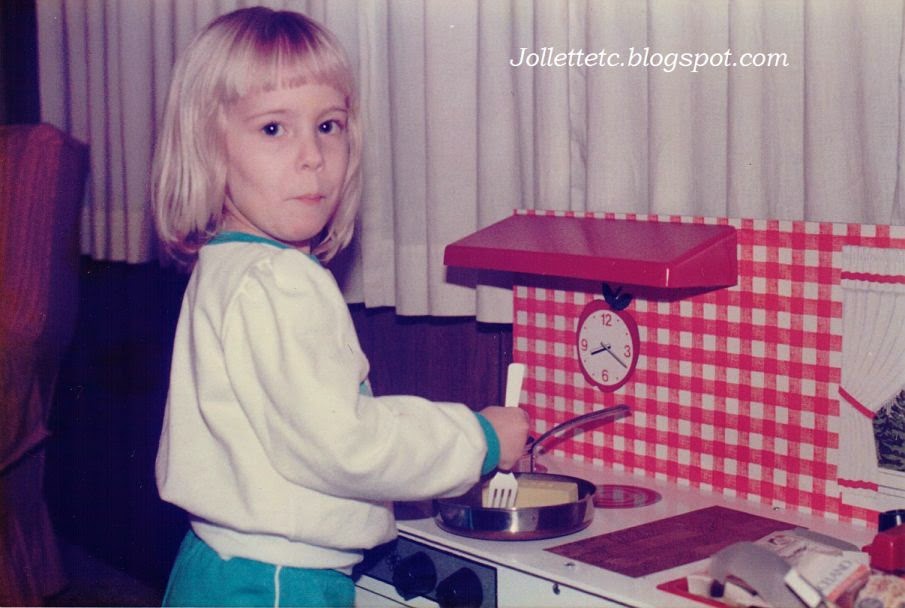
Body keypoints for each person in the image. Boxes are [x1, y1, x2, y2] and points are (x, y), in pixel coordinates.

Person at [151, 7, 530, 607]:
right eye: (273, 129)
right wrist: (478, 438)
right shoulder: (278, 279)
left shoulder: (229, 264)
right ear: (209, 148)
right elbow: (346, 445)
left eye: (328, 125)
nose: (312, 155)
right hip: (275, 581)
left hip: (221, 564)